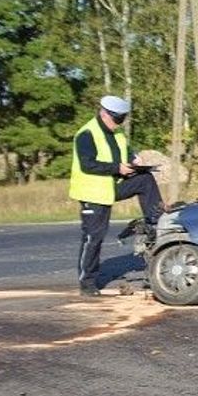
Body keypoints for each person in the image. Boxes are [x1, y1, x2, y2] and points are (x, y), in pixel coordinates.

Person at [69, 95, 164, 296]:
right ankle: (87, 283)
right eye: (117, 119)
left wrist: (134, 160)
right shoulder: (86, 134)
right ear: (103, 113)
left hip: (111, 186)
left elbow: (125, 152)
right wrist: (117, 168)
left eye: (122, 119)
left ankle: (156, 222)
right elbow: (87, 164)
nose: (119, 123)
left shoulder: (117, 134)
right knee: (93, 237)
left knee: (145, 179)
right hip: (93, 192)